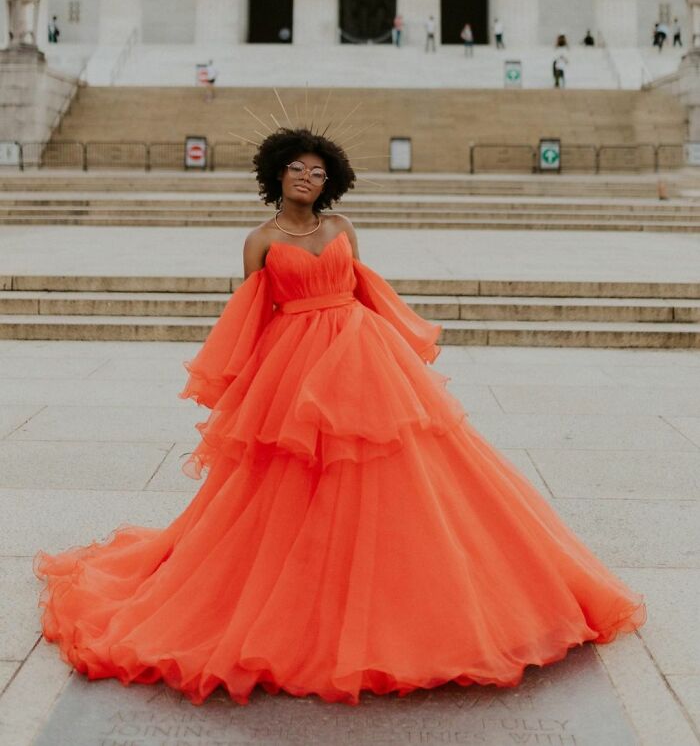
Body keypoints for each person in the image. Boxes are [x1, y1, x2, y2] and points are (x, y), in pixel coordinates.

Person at [34, 125, 646, 707]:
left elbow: (365, 293)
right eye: (297, 168)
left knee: (399, 466)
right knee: (295, 476)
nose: (307, 177)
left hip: (361, 357)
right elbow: (252, 317)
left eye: (318, 171)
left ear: (332, 183)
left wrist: (397, 350)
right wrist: (248, 388)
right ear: (277, 176)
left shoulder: (343, 227)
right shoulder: (261, 241)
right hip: (294, 364)